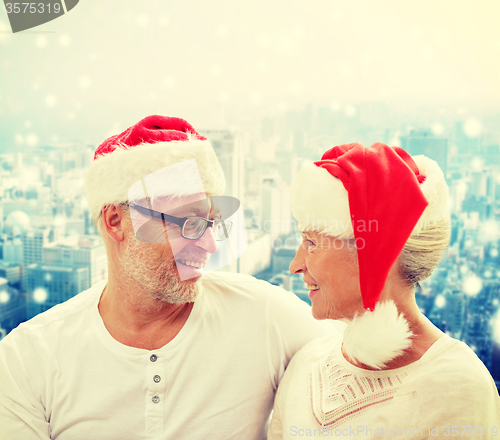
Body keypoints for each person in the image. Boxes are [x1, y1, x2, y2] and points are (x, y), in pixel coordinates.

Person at [0, 115, 338, 440]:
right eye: (187, 223)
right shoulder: (27, 359)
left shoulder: (269, 319)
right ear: (115, 221)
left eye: (210, 223)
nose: (208, 244)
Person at [268, 142, 500, 439]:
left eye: (311, 243)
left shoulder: (459, 389)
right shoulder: (305, 363)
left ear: (377, 256)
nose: (295, 265)